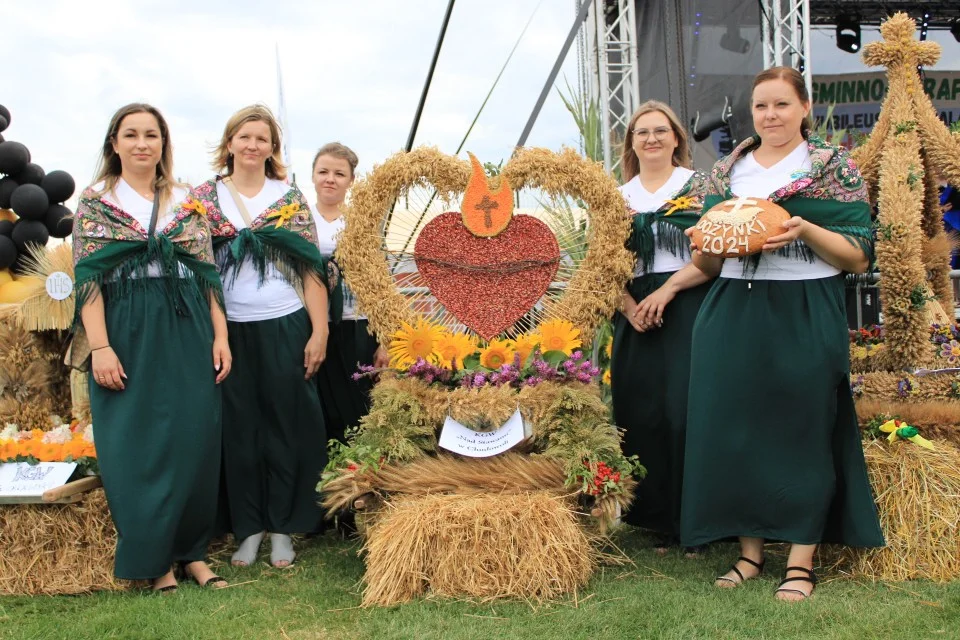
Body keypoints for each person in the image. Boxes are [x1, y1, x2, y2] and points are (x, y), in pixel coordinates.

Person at [681, 67, 884, 601]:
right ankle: (750, 554)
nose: (770, 116)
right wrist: (710, 240)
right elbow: (703, 258)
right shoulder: (726, 171)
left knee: (804, 427)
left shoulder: (833, 167)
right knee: (735, 429)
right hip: (731, 310)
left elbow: (860, 254)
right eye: (761, 107)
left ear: (805, 108)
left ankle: (800, 559)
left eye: (781, 105)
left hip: (804, 307)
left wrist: (807, 229)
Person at [73, 103, 230, 592]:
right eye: (131, 134)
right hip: (125, 321)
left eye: (152, 135)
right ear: (114, 144)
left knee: (194, 435)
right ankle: (154, 557)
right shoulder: (96, 203)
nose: (142, 144)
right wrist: (100, 346)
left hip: (187, 320)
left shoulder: (187, 200)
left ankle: (192, 552)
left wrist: (221, 335)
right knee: (136, 442)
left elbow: (206, 274)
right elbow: (89, 282)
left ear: (164, 144)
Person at [192, 105, 330, 568]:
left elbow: (311, 269)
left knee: (287, 425)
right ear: (229, 142)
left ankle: (284, 527)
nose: (253, 146)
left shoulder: (288, 197)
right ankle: (249, 528)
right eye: (244, 137)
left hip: (285, 320)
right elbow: (201, 273)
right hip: (229, 328)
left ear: (273, 148)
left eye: (262, 139)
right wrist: (218, 334)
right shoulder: (204, 200)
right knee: (241, 428)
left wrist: (319, 330)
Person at [610, 101, 712, 556]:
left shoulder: (700, 187)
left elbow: (715, 256)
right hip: (634, 311)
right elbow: (601, 266)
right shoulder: (616, 197)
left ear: (676, 139)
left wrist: (666, 292)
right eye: (641, 132)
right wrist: (629, 306)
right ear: (631, 143)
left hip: (687, 300)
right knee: (642, 411)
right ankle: (654, 519)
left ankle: (697, 520)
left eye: (660, 131)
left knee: (686, 410)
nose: (651, 139)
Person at [309, 143, 388, 450]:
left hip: (356, 323)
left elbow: (380, 283)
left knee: (357, 403)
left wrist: (385, 341)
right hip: (310, 325)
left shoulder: (362, 223)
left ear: (351, 180)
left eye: (339, 174)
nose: (330, 179)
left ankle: (358, 471)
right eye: (323, 172)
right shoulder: (298, 218)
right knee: (318, 404)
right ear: (313, 176)